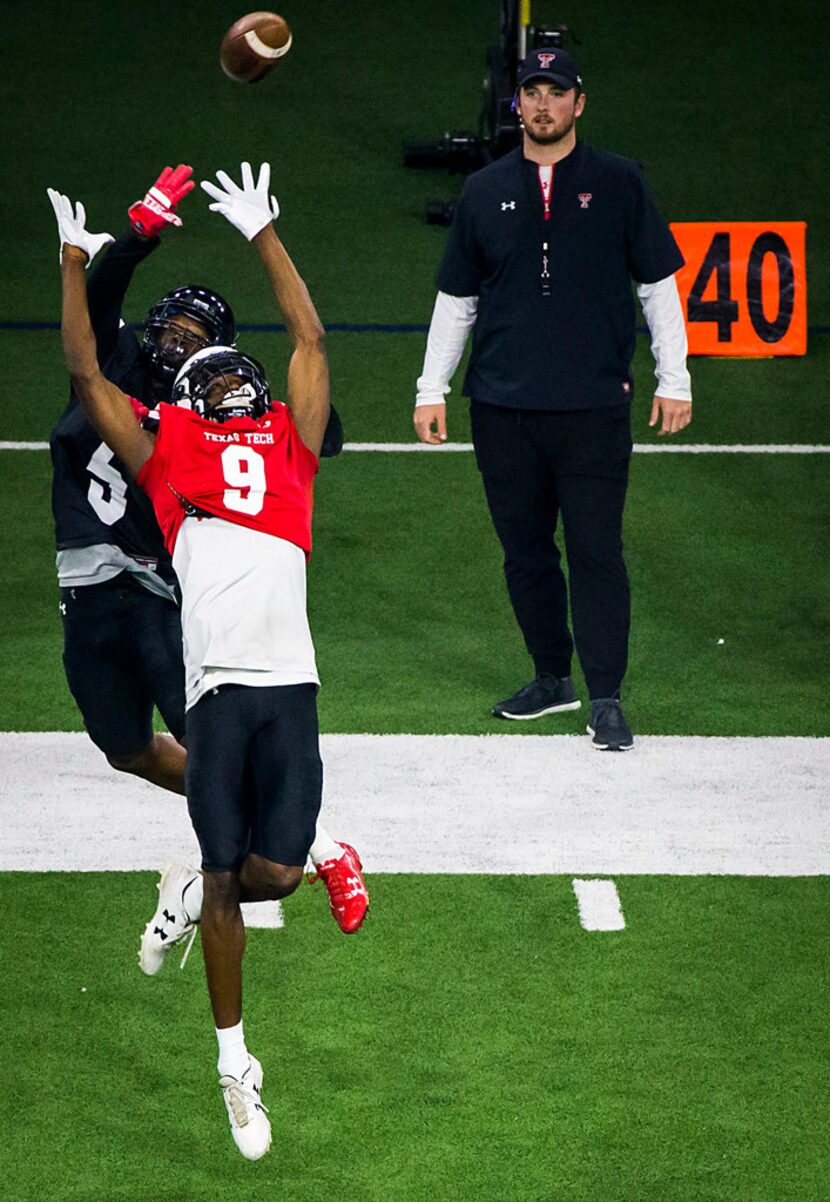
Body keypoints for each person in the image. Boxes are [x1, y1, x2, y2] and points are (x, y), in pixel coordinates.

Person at [55, 161, 358, 1160]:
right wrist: (73, 266)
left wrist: (265, 232)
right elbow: (89, 378)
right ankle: (235, 1062)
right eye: (205, 374)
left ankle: (183, 894)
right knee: (235, 872)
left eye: (233, 369)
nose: (223, 378)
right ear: (183, 403)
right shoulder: (170, 458)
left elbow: (311, 340)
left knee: (271, 872)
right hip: (221, 696)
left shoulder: (293, 452)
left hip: (294, 692)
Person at [413, 47, 692, 751]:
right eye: (532, 92)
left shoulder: (621, 182)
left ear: (578, 103)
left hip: (593, 407)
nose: (543, 104)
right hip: (502, 407)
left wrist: (675, 378)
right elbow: (457, 299)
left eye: (556, 92)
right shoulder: (482, 191)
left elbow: (658, 287)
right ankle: (550, 678)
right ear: (518, 106)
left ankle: (605, 698)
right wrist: (430, 388)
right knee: (525, 551)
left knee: (597, 550)